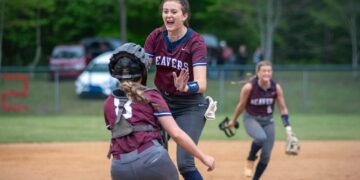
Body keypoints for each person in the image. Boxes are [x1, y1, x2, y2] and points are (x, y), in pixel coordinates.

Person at [104, 42, 215, 180]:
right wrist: (203, 157)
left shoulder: (108, 102)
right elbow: (177, 134)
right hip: (152, 159)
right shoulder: (151, 95)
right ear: (143, 69)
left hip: (119, 167)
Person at [144, 0, 210, 179]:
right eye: (165, 11)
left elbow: (201, 83)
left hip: (189, 104)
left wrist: (186, 86)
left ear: (185, 15)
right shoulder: (156, 36)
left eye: (174, 12)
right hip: (161, 102)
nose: (168, 15)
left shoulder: (195, 42)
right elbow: (143, 68)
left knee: (185, 164)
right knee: (152, 158)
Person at [227, 60, 296, 180]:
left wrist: (288, 127)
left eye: (269, 71)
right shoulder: (249, 87)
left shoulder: (276, 87)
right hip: (251, 119)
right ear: (258, 73)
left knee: (266, 156)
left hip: (268, 121)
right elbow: (241, 105)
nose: (267, 73)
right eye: (263, 71)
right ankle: (251, 157)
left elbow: (283, 108)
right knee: (260, 138)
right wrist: (233, 120)